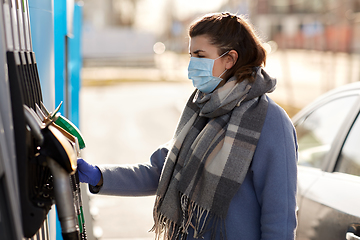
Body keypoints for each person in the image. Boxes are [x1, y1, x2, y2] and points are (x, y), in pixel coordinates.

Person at [77, 12, 298, 240]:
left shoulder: (270, 121)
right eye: (191, 55)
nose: (193, 64)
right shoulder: (203, 109)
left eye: (200, 56)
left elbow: (280, 219)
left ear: (230, 59)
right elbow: (160, 171)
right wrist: (98, 175)